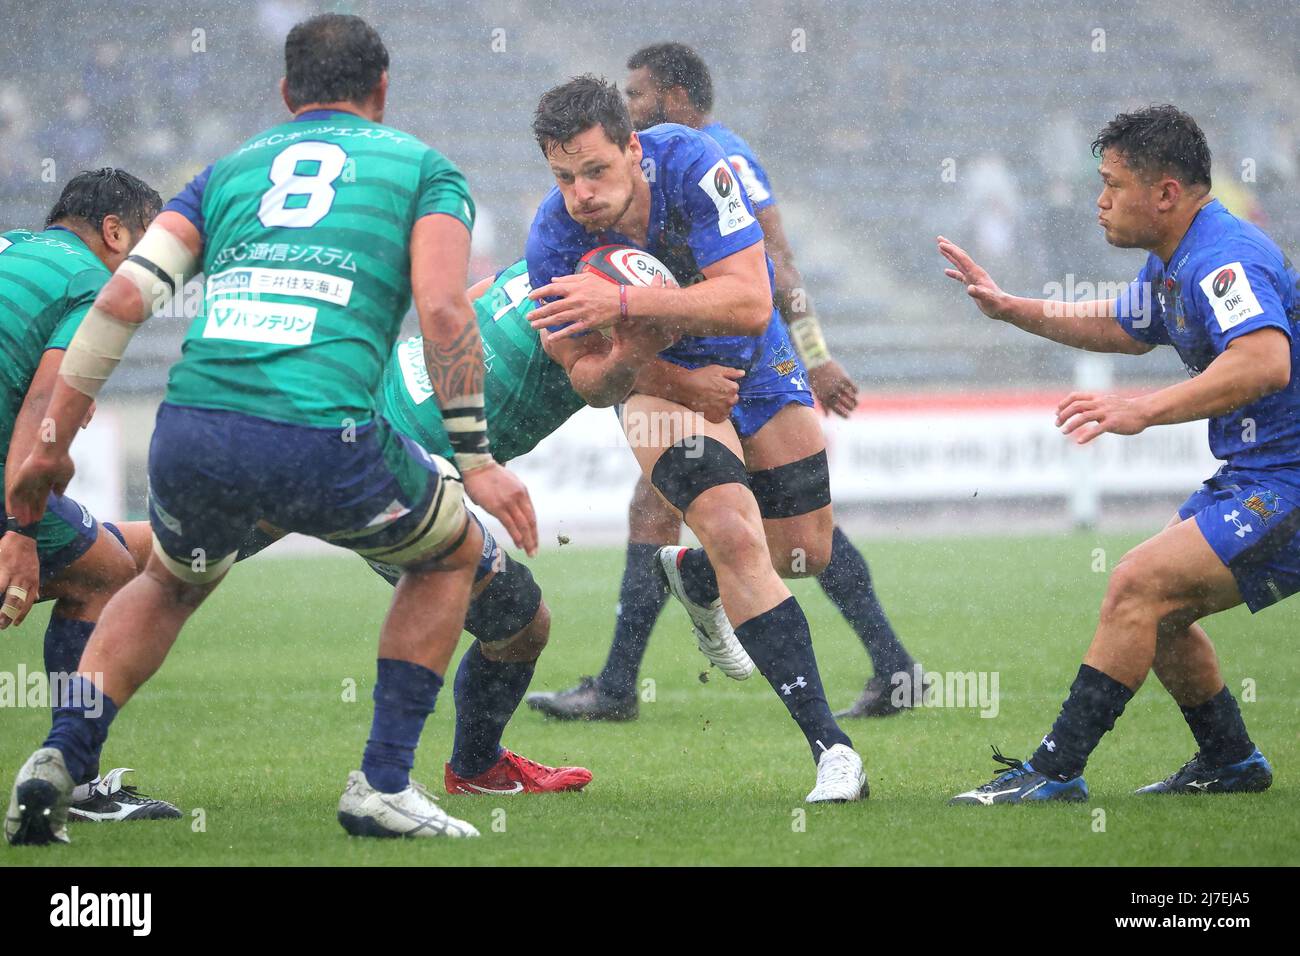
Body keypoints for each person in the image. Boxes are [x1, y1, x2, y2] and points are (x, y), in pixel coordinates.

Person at [5, 13, 537, 846]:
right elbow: (441, 308)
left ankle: (59, 753)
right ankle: (384, 785)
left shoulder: (224, 172)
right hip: (324, 430)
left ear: (287, 93)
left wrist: (47, 450)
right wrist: (477, 458)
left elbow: (120, 304)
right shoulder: (425, 170)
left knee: (172, 582)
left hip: (192, 429)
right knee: (451, 554)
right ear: (384, 89)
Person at [529, 42, 918, 722]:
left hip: (753, 352)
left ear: (675, 99)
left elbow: (780, 268)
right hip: (674, 369)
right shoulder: (581, 206)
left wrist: (816, 356)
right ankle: (620, 683)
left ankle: (888, 661)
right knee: (683, 513)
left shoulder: (719, 161)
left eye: (640, 95)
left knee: (794, 538)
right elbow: (591, 368)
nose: (632, 108)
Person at [941, 105, 1292, 804]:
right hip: (1256, 472)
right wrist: (1013, 308)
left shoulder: (1224, 256)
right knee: (1159, 613)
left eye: (1112, 185)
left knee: (1136, 584)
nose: (1099, 201)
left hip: (1288, 479)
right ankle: (1231, 761)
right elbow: (1122, 328)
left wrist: (1140, 410)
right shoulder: (1178, 258)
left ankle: (1054, 769)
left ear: (1165, 193)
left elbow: (1264, 362)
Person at [0, 169, 180, 823]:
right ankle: (75, 785)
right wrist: (20, 532)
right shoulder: (92, 282)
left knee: (105, 555)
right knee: (104, 574)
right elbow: (48, 400)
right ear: (113, 232)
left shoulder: (18, 249)